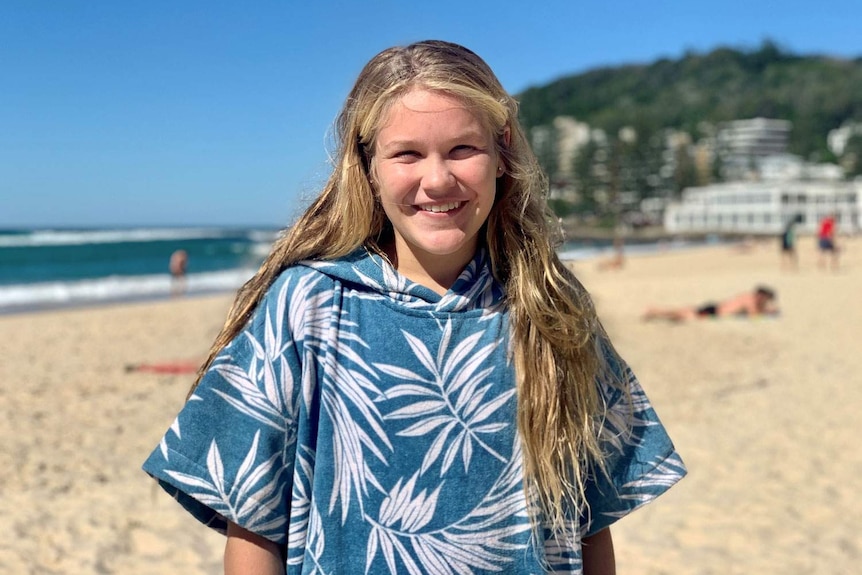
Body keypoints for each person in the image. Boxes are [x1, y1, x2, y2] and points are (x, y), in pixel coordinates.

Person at [142, 40, 686, 574]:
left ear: (502, 155)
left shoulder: (550, 311)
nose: (437, 179)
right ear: (369, 167)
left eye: (462, 150)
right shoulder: (307, 306)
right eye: (407, 153)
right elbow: (254, 522)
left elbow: (591, 523)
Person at [643, 285, 779, 323]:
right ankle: (654, 311)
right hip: (715, 311)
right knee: (684, 314)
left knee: (682, 313)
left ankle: (655, 312)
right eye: (766, 299)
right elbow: (753, 314)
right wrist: (767, 312)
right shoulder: (749, 299)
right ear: (762, 296)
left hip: (715, 308)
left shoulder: (749, 297)